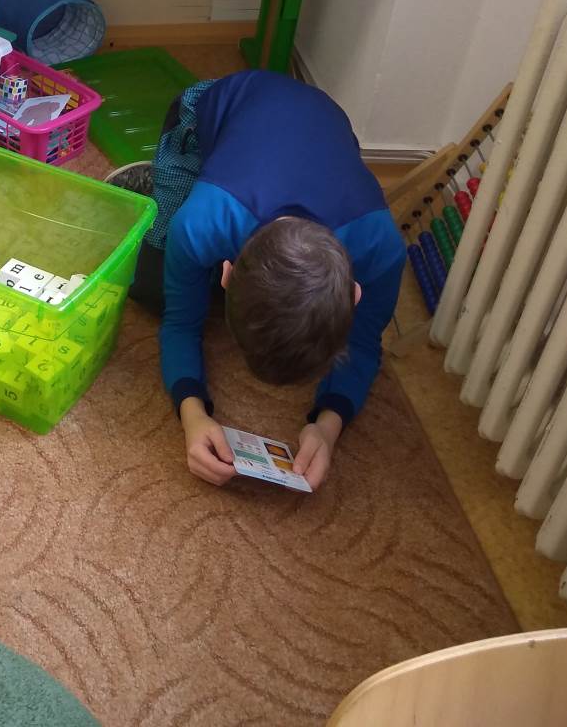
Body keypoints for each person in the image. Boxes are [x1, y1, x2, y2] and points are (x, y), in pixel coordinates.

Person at [129, 70, 404, 489]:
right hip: (214, 104)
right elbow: (180, 322)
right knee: (151, 289)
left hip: (326, 119)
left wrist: (327, 427)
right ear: (226, 271)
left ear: (355, 293)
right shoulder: (204, 221)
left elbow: (364, 345)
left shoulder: (381, 248)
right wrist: (192, 413)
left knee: (196, 283)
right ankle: (156, 178)